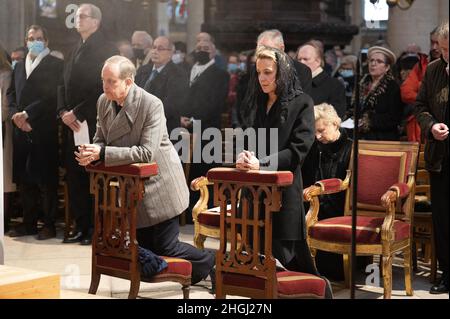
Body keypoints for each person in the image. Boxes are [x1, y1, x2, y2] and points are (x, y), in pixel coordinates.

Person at [75, 55, 215, 289]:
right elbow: (100, 139)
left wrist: (102, 153)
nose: (105, 87)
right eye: (103, 81)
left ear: (128, 82)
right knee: (151, 248)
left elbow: (145, 153)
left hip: (160, 185)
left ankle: (211, 262)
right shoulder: (102, 101)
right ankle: (199, 270)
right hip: (132, 187)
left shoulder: (151, 104)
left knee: (167, 247)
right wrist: (91, 151)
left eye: (111, 81)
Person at [237, 46, 331, 297]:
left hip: (284, 194)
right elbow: (249, 139)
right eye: (259, 73)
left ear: (283, 73)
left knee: (286, 266)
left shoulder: (302, 102)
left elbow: (298, 150)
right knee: (254, 261)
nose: (263, 78)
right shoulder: (257, 101)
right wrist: (244, 157)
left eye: (268, 72)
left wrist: (262, 163)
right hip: (253, 193)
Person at [57, 3, 118, 245]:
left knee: (94, 176)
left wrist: (78, 112)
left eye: (83, 16)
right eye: (77, 15)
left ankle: (97, 228)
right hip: (70, 122)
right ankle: (82, 226)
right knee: (75, 175)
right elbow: (61, 84)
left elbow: (103, 87)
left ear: (96, 22)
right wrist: (62, 111)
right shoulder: (73, 49)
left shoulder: (106, 48)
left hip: (92, 121)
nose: (77, 19)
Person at [7, 25, 63, 240]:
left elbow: (52, 97)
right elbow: (11, 94)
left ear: (46, 41)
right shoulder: (19, 66)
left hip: (42, 127)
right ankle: (28, 223)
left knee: (46, 179)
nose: (35, 41)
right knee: (25, 178)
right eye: (31, 38)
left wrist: (27, 114)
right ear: (26, 40)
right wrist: (15, 115)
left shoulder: (55, 64)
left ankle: (48, 224)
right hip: (21, 129)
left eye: (39, 38)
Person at [414, 20, 449, 294]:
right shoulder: (435, 69)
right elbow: (421, 105)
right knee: (443, 218)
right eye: (443, 50)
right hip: (440, 157)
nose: (445, 55)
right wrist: (430, 126)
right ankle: (447, 274)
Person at [302, 103, 353, 281]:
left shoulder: (350, 148)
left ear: (335, 125)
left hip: (339, 206)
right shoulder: (314, 148)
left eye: (321, 130)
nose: (317, 136)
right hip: (313, 202)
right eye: (314, 131)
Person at [135, 36, 188, 139]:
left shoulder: (178, 74)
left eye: (160, 48)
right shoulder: (143, 70)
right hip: (139, 129)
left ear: (170, 53)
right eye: (153, 47)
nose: (155, 51)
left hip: (164, 130)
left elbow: (171, 105)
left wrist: (144, 116)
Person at [401, 27, 441, 142]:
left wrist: (420, 87)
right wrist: (427, 96)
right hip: (421, 124)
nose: (434, 47)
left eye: (437, 43)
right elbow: (406, 92)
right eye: (432, 42)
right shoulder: (422, 64)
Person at [356, 46, 404, 141]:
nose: (373, 64)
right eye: (371, 60)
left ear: (387, 67)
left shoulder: (392, 87)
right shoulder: (362, 83)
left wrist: (368, 121)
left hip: (383, 138)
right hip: (361, 136)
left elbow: (394, 118)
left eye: (379, 61)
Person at [297, 41, 346, 118]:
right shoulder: (292, 84)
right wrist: (274, 130)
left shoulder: (335, 86)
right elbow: (276, 119)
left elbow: (337, 117)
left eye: (306, 59)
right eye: (299, 59)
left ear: (318, 61)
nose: (301, 63)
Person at [256, 29, 312, 95]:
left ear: (282, 48)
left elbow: (302, 101)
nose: (264, 53)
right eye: (260, 49)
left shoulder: (302, 71)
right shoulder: (253, 71)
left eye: (268, 49)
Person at [1, 45, 16, 233]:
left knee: (3, 177)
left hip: (2, 127)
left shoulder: (6, 74)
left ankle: (4, 219)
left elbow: (6, 105)